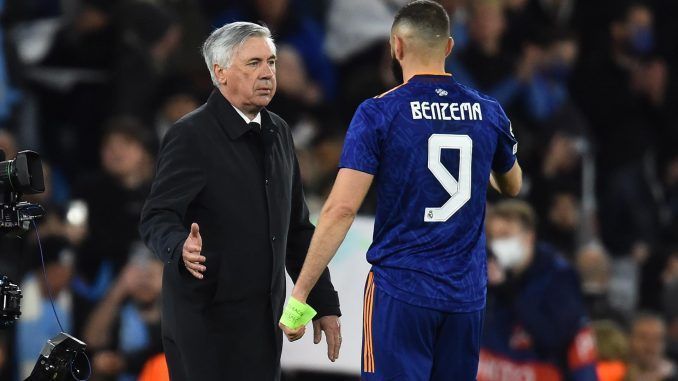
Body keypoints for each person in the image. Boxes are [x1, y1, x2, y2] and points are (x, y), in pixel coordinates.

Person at [280, 1, 522, 380]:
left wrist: (299, 297)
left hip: (402, 290)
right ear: (448, 48)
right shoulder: (487, 111)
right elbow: (512, 183)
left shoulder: (380, 112)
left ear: (396, 46)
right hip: (465, 297)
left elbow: (341, 209)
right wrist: (482, 167)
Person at [138, 21, 341, 381]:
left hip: (263, 326)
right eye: (253, 63)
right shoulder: (191, 135)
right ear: (220, 72)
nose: (267, 73)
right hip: (204, 327)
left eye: (272, 62)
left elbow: (296, 228)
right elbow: (157, 215)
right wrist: (179, 246)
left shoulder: (279, 132)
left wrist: (324, 301)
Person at [479, 200, 598, 381]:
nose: (497, 244)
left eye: (505, 235)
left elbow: (554, 336)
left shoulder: (558, 276)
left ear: (529, 236)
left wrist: (508, 291)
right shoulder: (489, 276)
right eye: (493, 237)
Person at [626, 312, 677, 381]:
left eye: (657, 339)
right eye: (643, 337)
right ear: (630, 339)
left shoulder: (673, 374)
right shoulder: (618, 373)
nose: (650, 345)